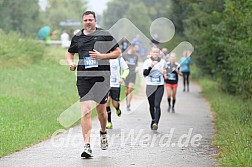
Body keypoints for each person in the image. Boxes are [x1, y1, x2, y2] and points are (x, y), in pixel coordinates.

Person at [65, 11, 121, 158]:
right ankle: (87, 146)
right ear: (82, 22)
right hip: (84, 78)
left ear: (95, 21)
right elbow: (70, 53)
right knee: (86, 111)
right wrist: (71, 63)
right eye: (85, 20)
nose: (88, 22)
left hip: (102, 78)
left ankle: (103, 132)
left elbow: (118, 52)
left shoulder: (105, 34)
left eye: (90, 20)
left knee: (101, 111)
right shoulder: (77, 37)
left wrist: (102, 56)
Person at [143, 47, 167, 130]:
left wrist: (164, 72)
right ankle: (153, 119)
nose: (156, 54)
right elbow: (145, 74)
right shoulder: (147, 62)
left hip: (159, 85)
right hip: (150, 85)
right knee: (151, 105)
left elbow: (166, 72)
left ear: (159, 53)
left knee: (157, 105)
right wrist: (150, 66)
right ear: (151, 53)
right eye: (154, 52)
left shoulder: (163, 62)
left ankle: (156, 122)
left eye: (157, 52)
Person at [106, 56, 129, 129]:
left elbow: (126, 69)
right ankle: (109, 122)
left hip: (115, 84)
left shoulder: (119, 59)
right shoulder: (104, 57)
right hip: (106, 84)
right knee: (107, 101)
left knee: (115, 103)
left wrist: (122, 77)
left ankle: (117, 108)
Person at [122, 44, 139, 111]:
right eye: (135, 48)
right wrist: (124, 63)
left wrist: (137, 68)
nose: (135, 49)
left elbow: (136, 64)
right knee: (126, 91)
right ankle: (127, 100)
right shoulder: (124, 55)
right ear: (131, 47)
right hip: (126, 73)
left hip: (133, 73)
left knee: (130, 89)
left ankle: (128, 105)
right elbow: (121, 64)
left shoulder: (136, 56)